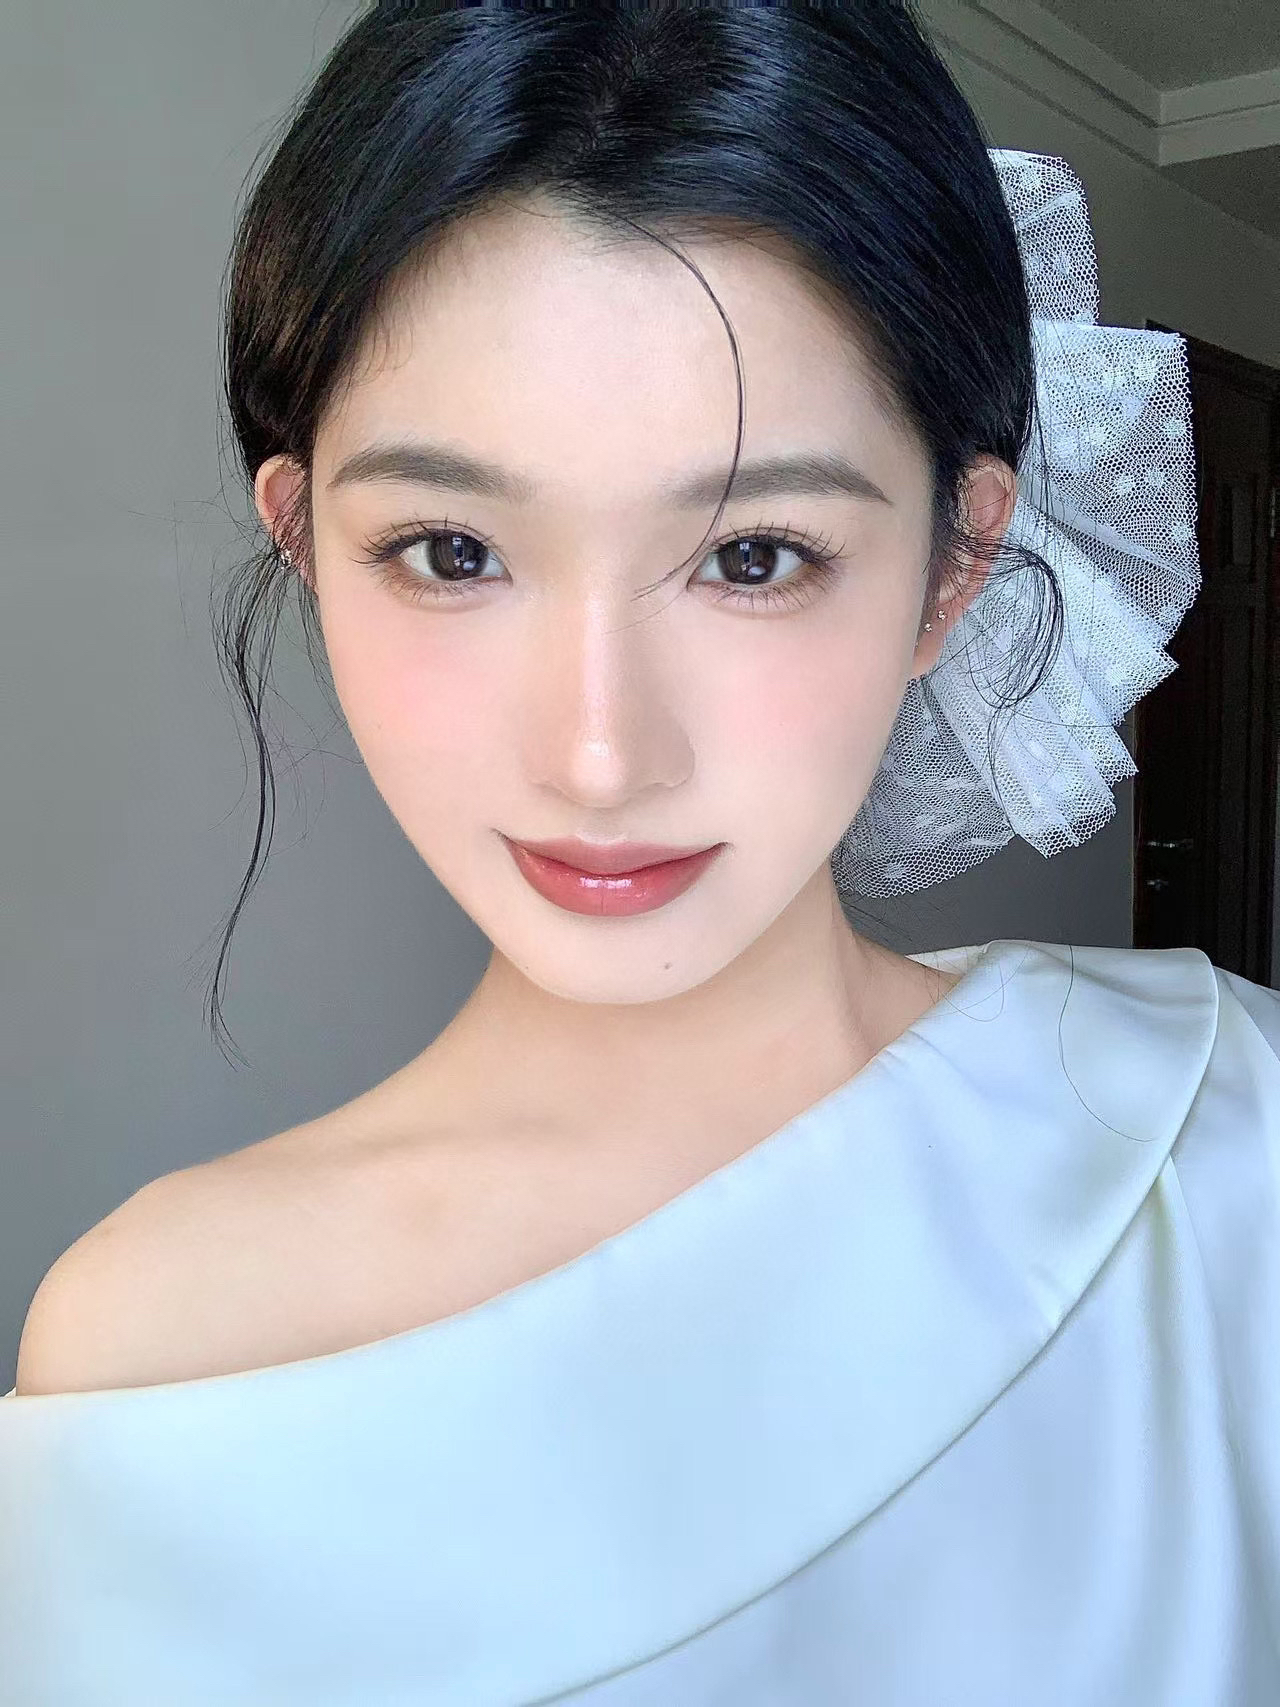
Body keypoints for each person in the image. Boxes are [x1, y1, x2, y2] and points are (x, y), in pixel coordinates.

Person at [3, 2, 1277, 1702]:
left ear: (953, 571)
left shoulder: (1232, 1152)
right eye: (451, 551)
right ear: (305, 544)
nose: (600, 755)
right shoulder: (164, 1356)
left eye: (754, 557)